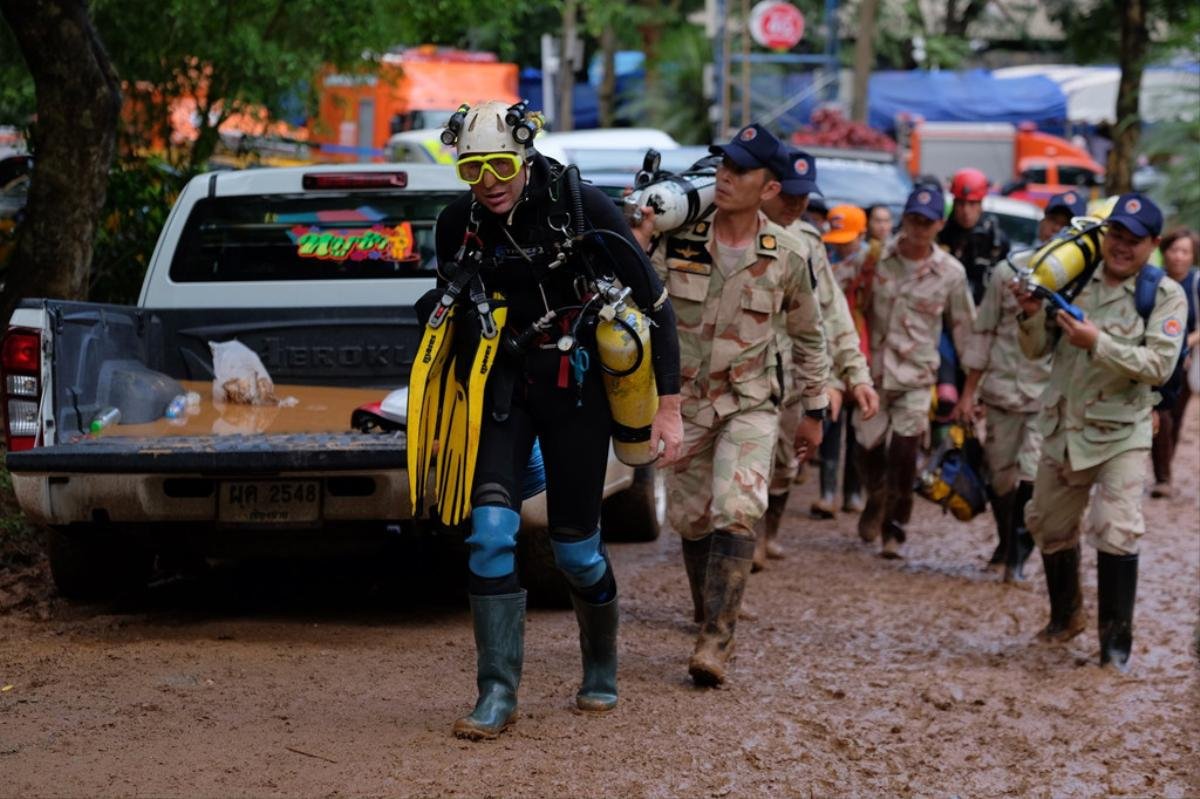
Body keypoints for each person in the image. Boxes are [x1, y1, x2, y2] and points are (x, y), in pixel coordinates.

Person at [424, 100, 683, 739]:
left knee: (574, 552)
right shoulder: (456, 223)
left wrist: (669, 408)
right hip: (502, 390)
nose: (489, 182)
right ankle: (496, 693)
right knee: (489, 535)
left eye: (501, 164)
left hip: (577, 389)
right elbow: (450, 313)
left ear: (527, 152)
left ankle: (600, 663)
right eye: (473, 169)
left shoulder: (581, 207)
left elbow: (658, 306)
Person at [633, 124, 830, 686]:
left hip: (750, 403)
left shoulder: (789, 253)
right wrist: (642, 243)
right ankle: (706, 610)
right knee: (692, 522)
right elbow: (641, 301)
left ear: (769, 188)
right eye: (722, 166)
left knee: (737, 509)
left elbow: (809, 336)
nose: (724, 176)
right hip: (686, 402)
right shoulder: (681, 233)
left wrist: (814, 411)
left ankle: (716, 642)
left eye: (740, 170)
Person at [1014, 193, 1186, 672]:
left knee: (1116, 530)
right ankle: (1065, 616)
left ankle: (1115, 646)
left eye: (1134, 241)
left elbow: (1158, 365)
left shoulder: (1165, 294)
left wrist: (1099, 343)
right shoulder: (1076, 277)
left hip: (1122, 432)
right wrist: (1029, 313)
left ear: (1152, 244)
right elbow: (1034, 351)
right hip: (1065, 427)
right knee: (1048, 526)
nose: (1121, 247)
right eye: (1116, 236)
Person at [756, 162, 877, 564]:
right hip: (739, 381)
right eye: (789, 193)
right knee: (740, 475)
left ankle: (768, 532)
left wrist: (854, 374)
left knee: (785, 465)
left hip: (791, 377)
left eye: (804, 196)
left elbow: (833, 312)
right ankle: (745, 546)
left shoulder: (807, 241)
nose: (798, 203)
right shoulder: (730, 230)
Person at [953, 199, 1080, 581]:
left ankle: (1018, 559)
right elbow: (984, 330)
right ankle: (1007, 541)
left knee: (1031, 475)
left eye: (1065, 225)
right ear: (1041, 225)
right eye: (1051, 221)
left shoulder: (1079, 282)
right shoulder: (1007, 272)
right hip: (1003, 390)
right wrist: (968, 391)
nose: (1055, 230)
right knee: (1000, 476)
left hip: (1047, 396)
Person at [856, 185, 976, 558]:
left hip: (916, 377)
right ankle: (877, 496)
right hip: (873, 375)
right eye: (913, 219)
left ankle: (895, 528)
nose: (919, 228)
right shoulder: (875, 258)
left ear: (940, 224)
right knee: (866, 450)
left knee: (905, 457)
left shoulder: (951, 273)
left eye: (927, 221)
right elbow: (836, 295)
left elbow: (965, 331)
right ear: (903, 218)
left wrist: (970, 390)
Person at [1150, 227, 1199, 498]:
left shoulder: (1196, 284)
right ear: (1163, 251)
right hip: (1158, 362)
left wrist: (1185, 345)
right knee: (1163, 415)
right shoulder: (1153, 283)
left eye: (1185, 252)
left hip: (1187, 363)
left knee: (1176, 419)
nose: (1179, 257)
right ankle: (1162, 476)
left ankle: (1164, 468)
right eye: (1174, 250)